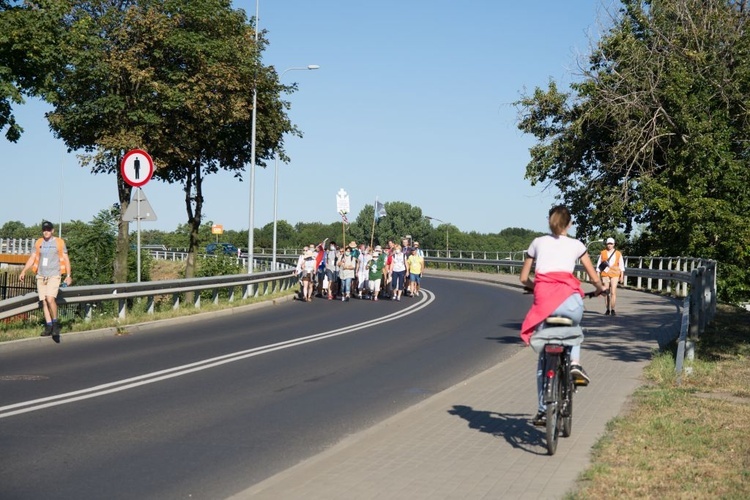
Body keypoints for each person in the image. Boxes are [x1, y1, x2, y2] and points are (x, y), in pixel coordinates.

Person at [519, 206, 604, 426]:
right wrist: (599, 288)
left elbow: (523, 278)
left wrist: (534, 287)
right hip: (570, 301)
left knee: (543, 360)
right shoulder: (577, 245)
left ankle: (542, 409)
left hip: (545, 303)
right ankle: (574, 363)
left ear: (549, 221)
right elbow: (593, 276)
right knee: (575, 331)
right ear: (570, 223)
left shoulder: (537, 243)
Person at [19, 220, 73, 342]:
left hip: (54, 275)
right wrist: (23, 271)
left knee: (50, 299)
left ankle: (55, 324)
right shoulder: (39, 243)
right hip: (41, 276)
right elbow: (33, 257)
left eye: (48, 230)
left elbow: (65, 258)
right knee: (44, 302)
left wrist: (68, 275)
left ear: (52, 231)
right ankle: (48, 326)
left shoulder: (59, 242)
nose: (46, 232)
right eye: (44, 230)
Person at [597, 237, 626, 315]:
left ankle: (613, 309)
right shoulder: (603, 253)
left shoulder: (618, 253)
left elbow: (621, 265)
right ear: (606, 244)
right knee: (606, 292)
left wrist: (622, 276)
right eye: (608, 243)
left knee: (613, 292)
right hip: (605, 274)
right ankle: (607, 309)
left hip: (615, 274)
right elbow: (599, 264)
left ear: (614, 244)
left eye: (611, 244)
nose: (609, 245)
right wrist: (597, 274)